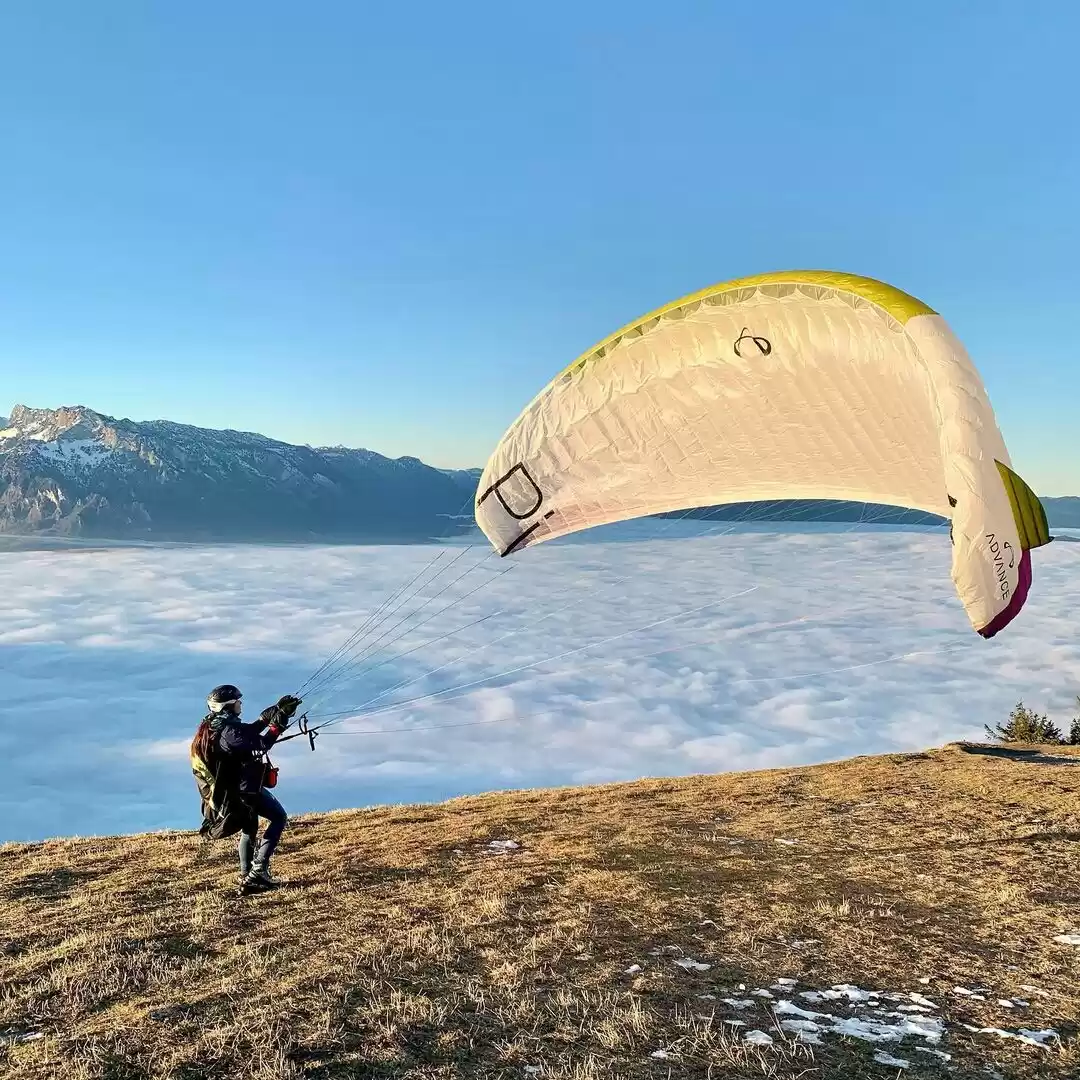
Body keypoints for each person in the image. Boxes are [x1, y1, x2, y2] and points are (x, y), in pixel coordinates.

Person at [201, 683, 303, 894]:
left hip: (235, 788)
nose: (240, 703)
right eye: (237, 701)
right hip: (244, 788)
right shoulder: (229, 731)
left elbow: (248, 731)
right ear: (228, 706)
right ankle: (257, 872)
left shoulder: (219, 725)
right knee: (278, 817)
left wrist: (273, 712)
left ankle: (248, 877)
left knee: (250, 828)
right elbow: (259, 744)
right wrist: (277, 725)